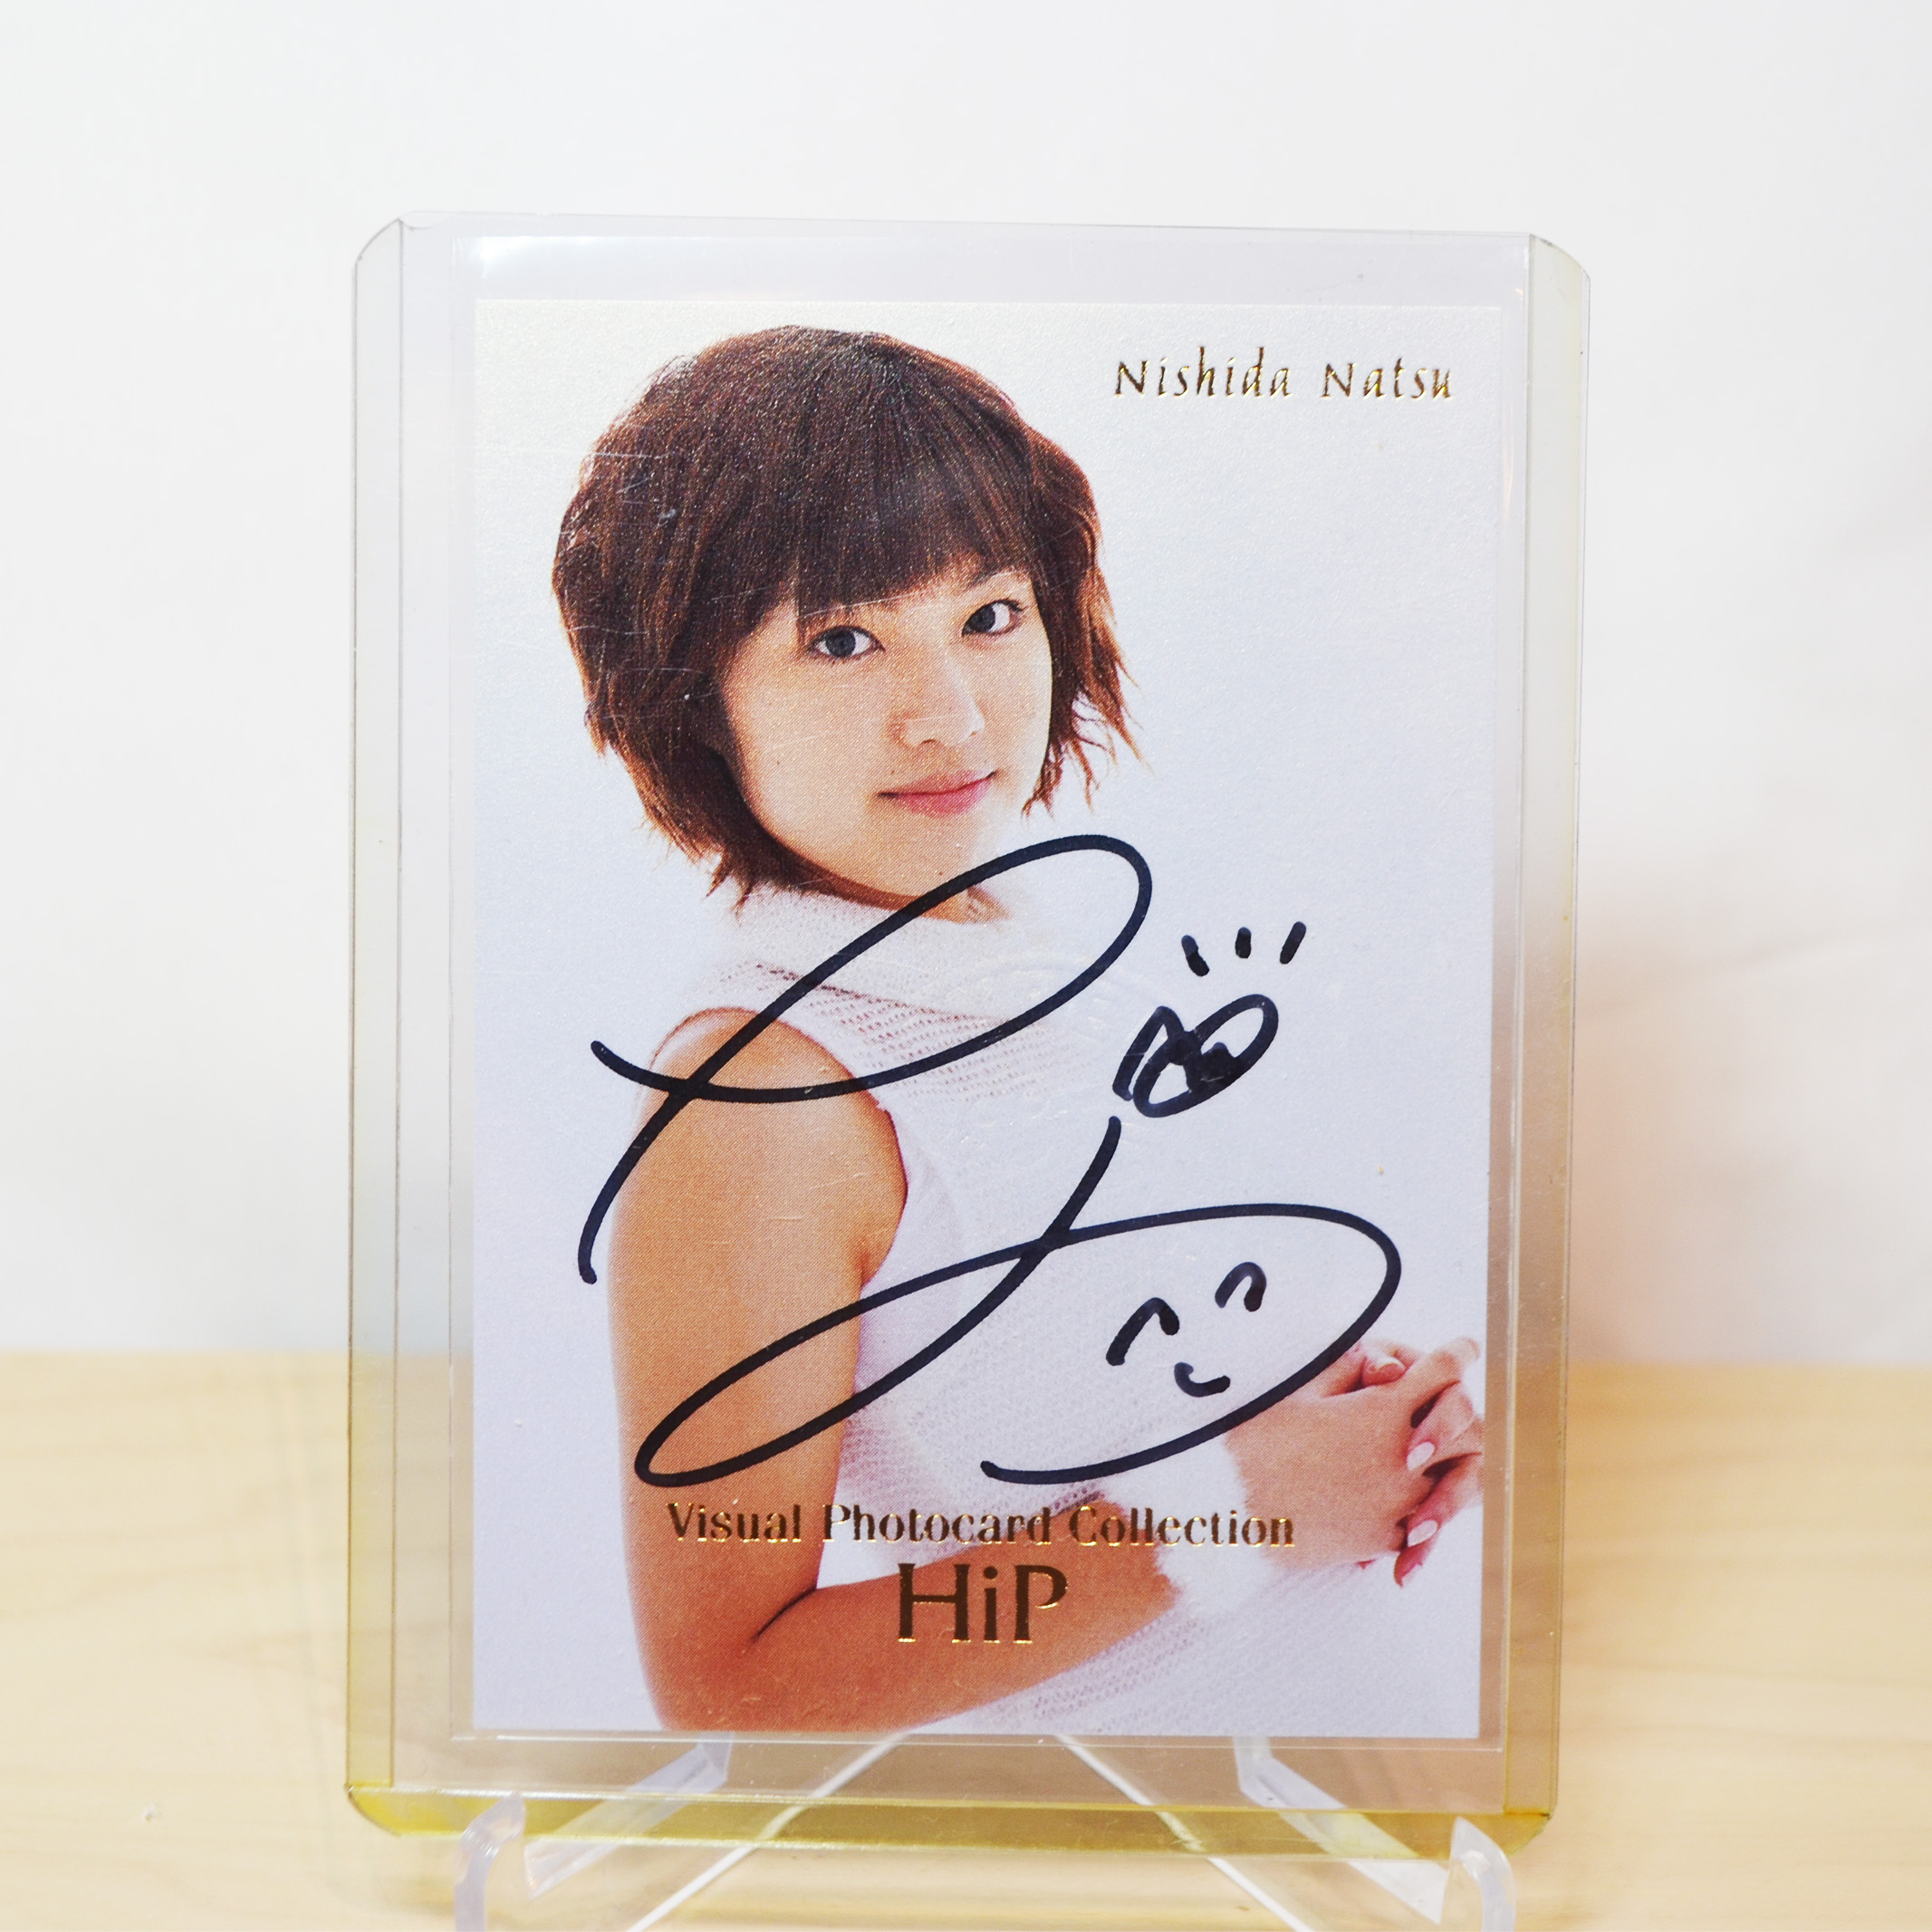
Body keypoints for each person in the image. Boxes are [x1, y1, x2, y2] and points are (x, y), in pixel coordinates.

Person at [553, 327, 1484, 1735]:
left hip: (1328, 1796)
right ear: (694, 696)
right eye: (843, 639)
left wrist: (1384, 1422)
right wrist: (1228, 1512)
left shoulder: (1031, 954)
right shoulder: (764, 1095)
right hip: (1119, 1839)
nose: (948, 714)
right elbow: (728, 1673)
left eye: (989, 614)